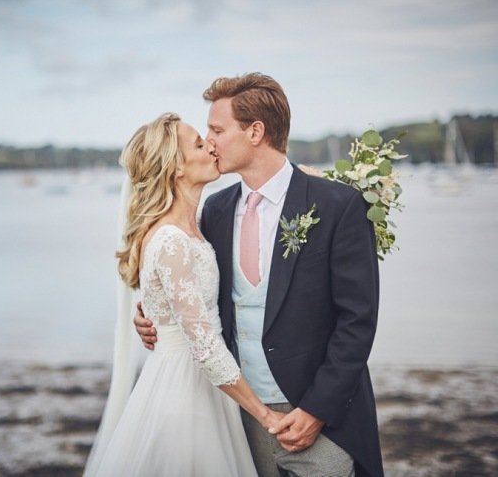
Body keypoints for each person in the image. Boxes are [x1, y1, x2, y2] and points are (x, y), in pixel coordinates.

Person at [135, 74, 384, 477]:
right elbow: (189, 287)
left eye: (216, 130)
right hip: (239, 421)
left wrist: (316, 410)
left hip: (321, 421)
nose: (210, 141)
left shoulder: (338, 206)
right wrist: (150, 314)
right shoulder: (213, 211)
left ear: (255, 132)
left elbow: (358, 322)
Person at [83, 112, 285, 476]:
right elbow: (205, 345)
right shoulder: (171, 240)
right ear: (175, 167)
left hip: (209, 390)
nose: (209, 144)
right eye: (197, 142)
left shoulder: (196, 226)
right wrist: (266, 416)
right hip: (183, 395)